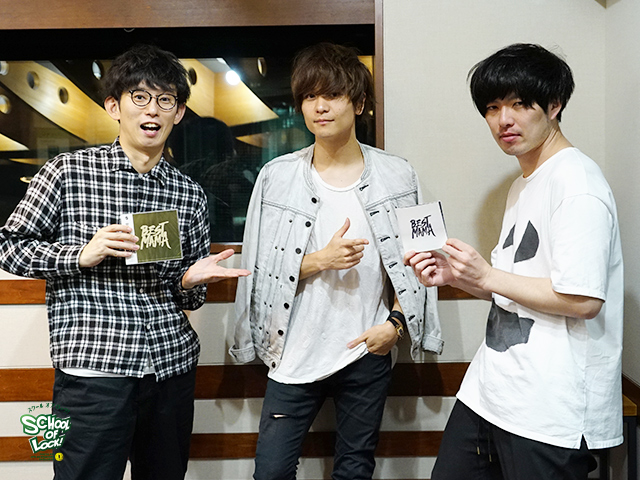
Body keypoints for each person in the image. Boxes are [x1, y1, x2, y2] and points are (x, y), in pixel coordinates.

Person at [0, 44, 250, 480]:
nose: (152, 109)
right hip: (94, 372)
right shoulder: (67, 172)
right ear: (114, 106)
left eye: (166, 99)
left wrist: (189, 280)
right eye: (140, 97)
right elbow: (10, 246)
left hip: (169, 367)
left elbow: (188, 298)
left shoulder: (187, 193)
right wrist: (80, 255)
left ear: (179, 113)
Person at [405, 43, 623, 480]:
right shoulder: (523, 183)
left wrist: (486, 275)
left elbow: (582, 300)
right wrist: (459, 277)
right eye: (492, 107)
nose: (504, 119)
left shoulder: (577, 185)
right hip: (492, 391)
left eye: (520, 104)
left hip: (550, 408)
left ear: (554, 105)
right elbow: (514, 287)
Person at [231, 42, 442, 480]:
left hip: (366, 351)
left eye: (332, 94)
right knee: (271, 472)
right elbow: (256, 269)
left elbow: (422, 262)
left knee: (354, 471)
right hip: (292, 351)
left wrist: (395, 326)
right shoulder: (276, 178)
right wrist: (318, 260)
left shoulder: (400, 175)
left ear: (359, 103)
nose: (319, 107)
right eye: (309, 96)